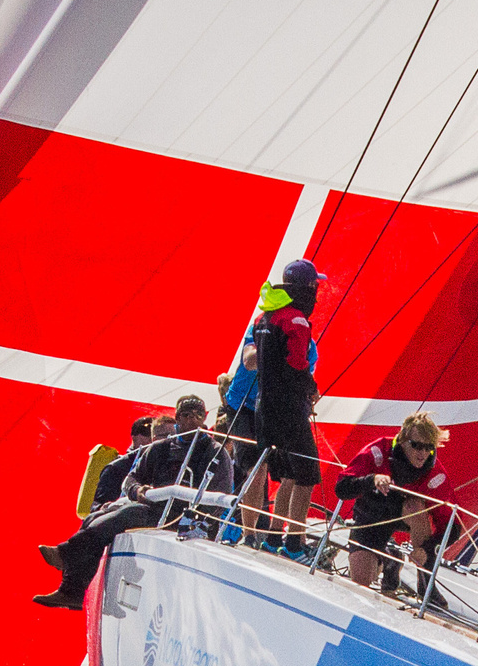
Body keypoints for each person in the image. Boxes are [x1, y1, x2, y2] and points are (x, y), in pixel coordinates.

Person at [35, 396, 223, 609]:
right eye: (187, 415)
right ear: (178, 418)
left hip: (183, 518)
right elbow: (131, 479)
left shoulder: (214, 452)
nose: (192, 420)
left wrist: (196, 521)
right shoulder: (161, 448)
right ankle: (71, 591)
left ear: (204, 418)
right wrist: (138, 490)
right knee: (94, 518)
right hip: (154, 507)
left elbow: (221, 494)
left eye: (198, 415)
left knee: (127, 514)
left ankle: (67, 554)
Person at [242, 258, 325, 561]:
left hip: (264, 409)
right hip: (288, 409)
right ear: (307, 287)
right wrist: (311, 388)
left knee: (287, 472)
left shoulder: (263, 318)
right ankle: (293, 545)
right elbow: (296, 364)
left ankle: (271, 538)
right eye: (315, 286)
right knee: (307, 475)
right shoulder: (296, 321)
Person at [335, 412, 451, 594]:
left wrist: (427, 549)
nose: (422, 453)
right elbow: (342, 488)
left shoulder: (436, 474)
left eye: (428, 447)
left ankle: (426, 583)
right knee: (361, 581)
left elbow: (452, 525)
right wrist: (372, 479)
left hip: (405, 515)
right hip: (371, 514)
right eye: (417, 445)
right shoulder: (378, 451)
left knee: (415, 506)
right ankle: (390, 559)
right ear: (403, 440)